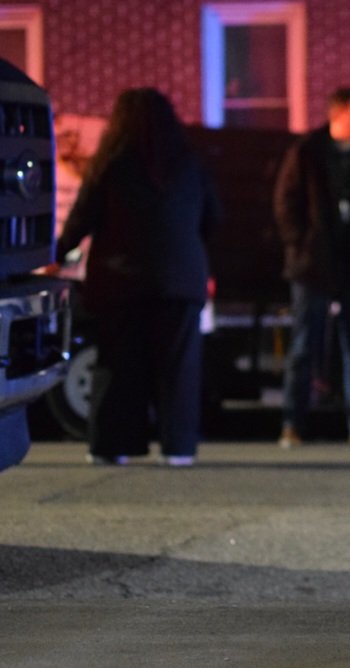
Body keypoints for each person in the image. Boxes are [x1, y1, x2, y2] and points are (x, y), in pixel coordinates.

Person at [56, 88, 222, 467]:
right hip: (180, 281)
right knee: (178, 368)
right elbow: (214, 217)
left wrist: (56, 254)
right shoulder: (189, 164)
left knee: (118, 366)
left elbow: (83, 217)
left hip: (121, 282)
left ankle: (113, 444)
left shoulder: (112, 164)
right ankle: (178, 447)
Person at [274, 86, 350, 446]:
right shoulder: (307, 152)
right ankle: (292, 424)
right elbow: (286, 202)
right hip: (313, 265)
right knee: (303, 347)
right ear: (337, 115)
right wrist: (302, 244)